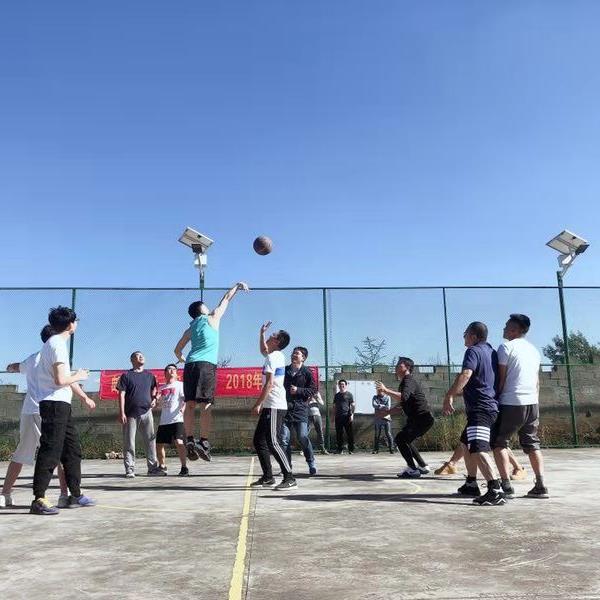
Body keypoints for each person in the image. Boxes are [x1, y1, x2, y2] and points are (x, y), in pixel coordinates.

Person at [1, 325, 95, 508]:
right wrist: (84, 396)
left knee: (22, 453)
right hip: (50, 408)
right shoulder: (55, 352)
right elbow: (65, 380)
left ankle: (5, 494)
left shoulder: (34, 358)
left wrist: (10, 367)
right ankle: (63, 495)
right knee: (57, 453)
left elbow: (16, 367)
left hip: (31, 410)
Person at [30, 307, 96, 515]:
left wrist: (83, 396)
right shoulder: (57, 344)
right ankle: (39, 499)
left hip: (62, 404)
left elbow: (62, 378)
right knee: (51, 449)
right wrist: (80, 375)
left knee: (72, 450)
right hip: (53, 404)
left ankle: (75, 494)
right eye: (75, 321)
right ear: (71, 325)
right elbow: (61, 380)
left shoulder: (55, 344)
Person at [175, 281, 249, 462]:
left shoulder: (190, 328)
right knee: (205, 405)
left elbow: (177, 350)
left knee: (190, 404)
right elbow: (226, 299)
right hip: (205, 366)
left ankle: (189, 439)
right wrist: (237, 286)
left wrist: (184, 360)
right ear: (202, 309)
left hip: (190, 366)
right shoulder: (213, 317)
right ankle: (204, 441)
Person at [443, 321, 505, 506]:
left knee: (478, 447)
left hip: (481, 409)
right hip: (489, 406)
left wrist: (449, 395)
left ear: (473, 336)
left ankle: (495, 490)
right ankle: (471, 483)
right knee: (466, 444)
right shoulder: (491, 352)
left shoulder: (473, 351)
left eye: (465, 334)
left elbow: (466, 374)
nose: (463, 338)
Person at [492, 314, 548, 499]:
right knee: (532, 443)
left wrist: (496, 398)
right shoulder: (534, 350)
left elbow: (501, 378)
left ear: (515, 330)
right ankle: (540, 485)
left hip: (511, 401)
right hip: (532, 402)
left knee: (499, 443)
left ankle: (506, 486)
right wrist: (535, 400)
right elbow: (536, 381)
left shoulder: (506, 347)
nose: (503, 329)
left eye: (506, 326)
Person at [250, 321, 296, 490]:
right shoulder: (275, 355)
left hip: (275, 405)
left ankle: (290, 478)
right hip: (271, 405)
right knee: (259, 441)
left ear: (277, 341)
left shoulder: (273, 357)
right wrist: (262, 333)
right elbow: (264, 350)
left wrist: (258, 404)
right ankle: (268, 477)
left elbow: (269, 384)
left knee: (273, 442)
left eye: (272, 335)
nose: (270, 336)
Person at [377, 357, 434, 477]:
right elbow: (403, 404)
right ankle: (423, 466)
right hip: (418, 419)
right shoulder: (405, 382)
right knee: (406, 440)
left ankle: (412, 469)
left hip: (421, 418)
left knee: (400, 439)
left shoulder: (408, 380)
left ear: (407, 367)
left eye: (399, 365)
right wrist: (388, 412)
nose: (396, 366)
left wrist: (386, 390)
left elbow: (403, 397)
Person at [117, 351, 161, 478]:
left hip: (147, 412)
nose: (141, 357)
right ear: (132, 360)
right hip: (130, 414)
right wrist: (122, 412)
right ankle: (130, 469)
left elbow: (154, 388)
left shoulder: (149, 375)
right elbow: (121, 394)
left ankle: (152, 468)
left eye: (142, 355)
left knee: (151, 441)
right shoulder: (126, 375)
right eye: (138, 355)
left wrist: (154, 399)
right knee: (129, 442)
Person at [281, 346, 318, 475]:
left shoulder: (306, 372)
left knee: (302, 436)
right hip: (285, 408)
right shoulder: (284, 370)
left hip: (300, 409)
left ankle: (311, 462)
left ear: (303, 358)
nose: (294, 355)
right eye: (293, 353)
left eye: (297, 353)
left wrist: (299, 390)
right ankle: (287, 467)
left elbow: (313, 390)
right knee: (284, 439)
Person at [155, 364, 188, 477]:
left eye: (174, 369)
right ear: (165, 373)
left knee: (179, 442)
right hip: (164, 421)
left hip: (177, 419)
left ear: (177, 373)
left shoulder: (180, 385)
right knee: (159, 444)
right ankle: (162, 467)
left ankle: (184, 467)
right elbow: (156, 404)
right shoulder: (161, 388)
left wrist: (183, 409)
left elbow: (185, 400)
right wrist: (155, 400)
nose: (172, 371)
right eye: (169, 369)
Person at [434, 444, 526, 479]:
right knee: (466, 438)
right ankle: (451, 465)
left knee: (497, 441)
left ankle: (518, 468)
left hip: (490, 412)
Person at [333, 380, 355, 454]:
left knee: (349, 433)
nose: (341, 386)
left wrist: (352, 415)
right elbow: (334, 406)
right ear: (338, 386)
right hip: (338, 417)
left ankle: (351, 449)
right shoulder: (336, 395)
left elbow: (353, 405)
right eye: (340, 384)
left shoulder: (349, 394)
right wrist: (333, 416)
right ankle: (340, 450)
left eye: (343, 384)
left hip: (347, 416)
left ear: (345, 385)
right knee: (339, 434)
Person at [371, 388, 394, 454]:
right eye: (377, 391)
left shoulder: (388, 397)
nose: (378, 392)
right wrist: (383, 406)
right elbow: (374, 405)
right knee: (377, 434)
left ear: (383, 391)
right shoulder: (375, 397)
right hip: (378, 418)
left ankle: (391, 449)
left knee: (388, 433)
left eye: (380, 391)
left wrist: (379, 406)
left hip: (386, 417)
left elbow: (388, 407)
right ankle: (376, 449)